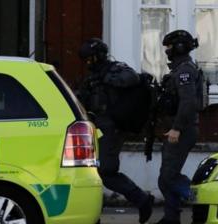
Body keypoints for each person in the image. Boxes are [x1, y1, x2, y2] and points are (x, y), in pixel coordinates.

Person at [77, 38, 154, 224]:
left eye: (90, 59)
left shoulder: (114, 68)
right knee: (90, 170)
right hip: (96, 128)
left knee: (106, 171)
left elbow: (132, 78)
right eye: (85, 60)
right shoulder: (91, 78)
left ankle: (142, 199)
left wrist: (107, 79)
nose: (88, 64)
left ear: (99, 56)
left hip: (112, 128)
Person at [156, 30, 200, 224]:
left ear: (179, 47)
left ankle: (201, 198)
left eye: (170, 47)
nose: (167, 51)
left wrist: (177, 128)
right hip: (177, 128)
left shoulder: (184, 71)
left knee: (168, 177)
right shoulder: (180, 68)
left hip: (183, 130)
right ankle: (171, 218)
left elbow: (188, 102)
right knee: (166, 178)